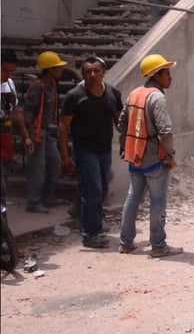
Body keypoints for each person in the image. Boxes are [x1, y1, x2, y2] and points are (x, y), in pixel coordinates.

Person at [118, 54, 182, 258]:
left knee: (133, 198)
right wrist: (170, 156)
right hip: (154, 158)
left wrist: (124, 146)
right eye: (167, 73)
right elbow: (165, 131)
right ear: (157, 75)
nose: (170, 78)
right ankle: (158, 245)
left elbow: (122, 123)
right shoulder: (157, 97)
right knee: (157, 201)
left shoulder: (134, 93)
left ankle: (125, 242)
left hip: (135, 155)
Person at [58, 57, 123, 249]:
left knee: (101, 188)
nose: (92, 75)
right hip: (85, 151)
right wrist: (65, 156)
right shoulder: (74, 96)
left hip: (104, 149)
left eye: (96, 71)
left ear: (103, 72)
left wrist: (126, 142)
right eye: (88, 71)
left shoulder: (112, 93)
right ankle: (90, 233)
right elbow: (63, 127)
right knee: (93, 189)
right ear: (83, 74)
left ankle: (86, 216)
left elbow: (119, 121)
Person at [23, 51, 69, 214]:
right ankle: (33, 201)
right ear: (50, 70)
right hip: (37, 132)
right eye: (57, 68)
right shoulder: (38, 87)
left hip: (46, 131)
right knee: (37, 167)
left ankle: (48, 196)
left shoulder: (51, 85)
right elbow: (28, 113)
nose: (60, 70)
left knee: (54, 162)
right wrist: (30, 135)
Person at [1, 49, 34, 206]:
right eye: (4, 70)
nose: (7, 74)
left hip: (6, 144)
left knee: (3, 187)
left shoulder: (10, 84)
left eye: (11, 71)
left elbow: (15, 113)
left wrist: (26, 136)